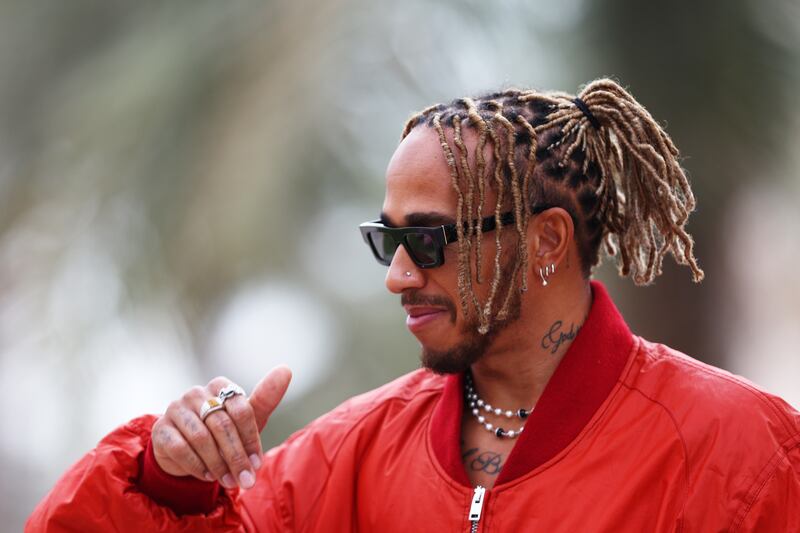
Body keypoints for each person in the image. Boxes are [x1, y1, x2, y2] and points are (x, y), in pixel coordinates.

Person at [28, 79, 800, 532]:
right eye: (384, 239)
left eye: (429, 239)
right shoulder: (347, 456)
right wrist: (167, 481)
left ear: (547, 240)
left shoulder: (743, 454)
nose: (397, 274)